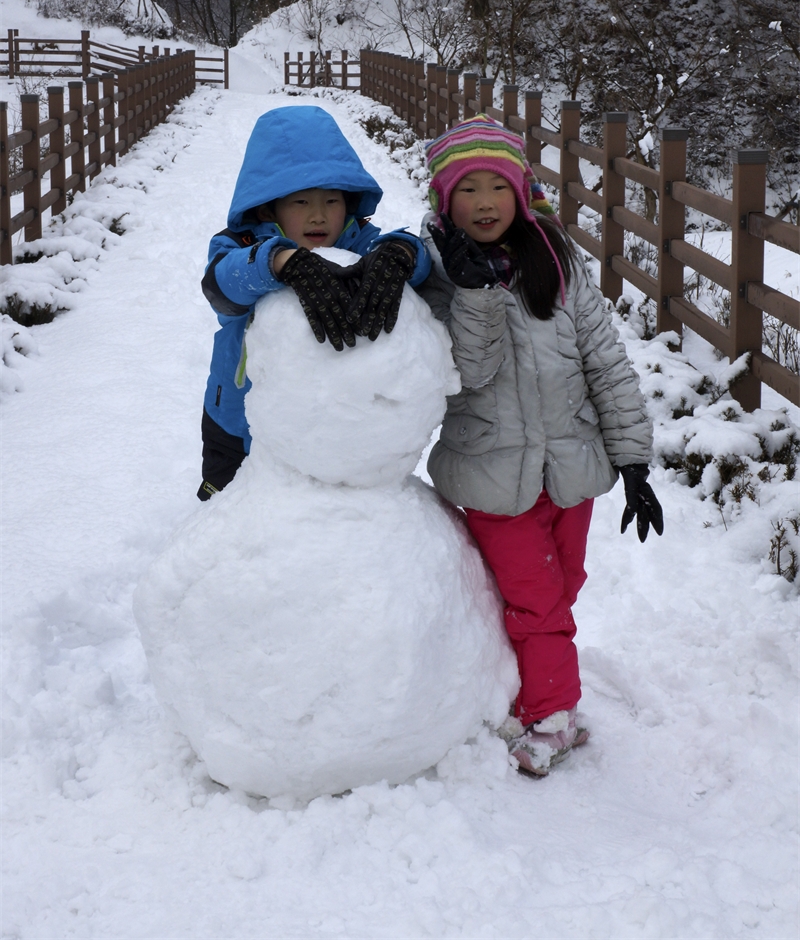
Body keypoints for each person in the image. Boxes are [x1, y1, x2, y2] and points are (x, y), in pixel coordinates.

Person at [418, 114, 662, 777]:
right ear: (444, 199)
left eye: (497, 186)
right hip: (492, 473)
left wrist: (632, 460)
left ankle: (519, 683)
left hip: (572, 467)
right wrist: (474, 294)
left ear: (521, 191)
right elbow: (468, 372)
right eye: (468, 190)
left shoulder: (556, 259)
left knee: (561, 587)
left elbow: (605, 362)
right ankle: (552, 715)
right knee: (538, 601)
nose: (485, 203)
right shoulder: (435, 272)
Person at [198, 104, 431, 500]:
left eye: (332, 201)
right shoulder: (240, 246)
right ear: (269, 205)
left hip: (318, 428)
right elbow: (221, 285)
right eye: (301, 202)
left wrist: (403, 252)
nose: (319, 216)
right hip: (235, 425)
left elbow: (415, 261)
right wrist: (279, 261)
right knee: (228, 518)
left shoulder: (356, 242)